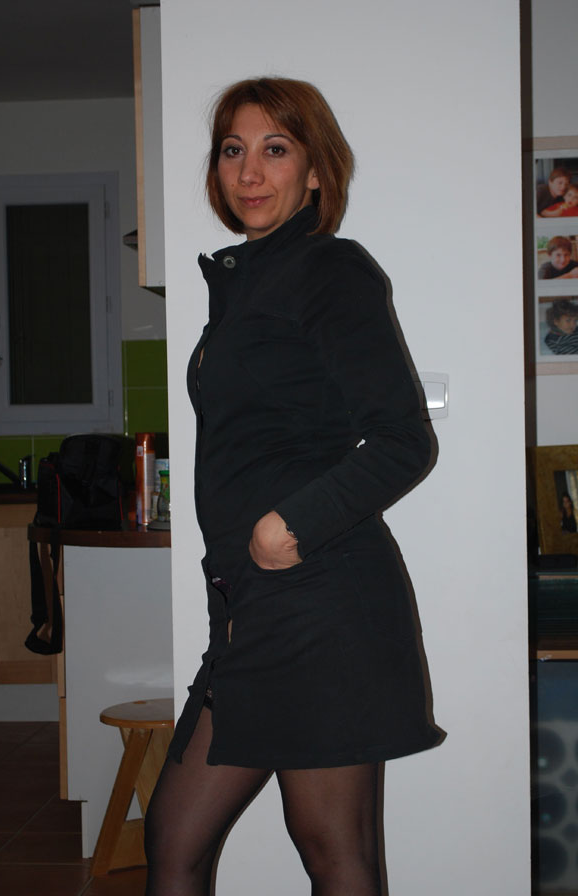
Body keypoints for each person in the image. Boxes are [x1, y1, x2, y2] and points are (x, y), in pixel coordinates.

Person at [144, 77, 441, 896]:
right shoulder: (244, 284)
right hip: (248, 610)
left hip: (321, 601)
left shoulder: (329, 270)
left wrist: (291, 525)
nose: (250, 171)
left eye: (275, 149)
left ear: (314, 172)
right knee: (174, 839)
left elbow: (404, 439)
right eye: (232, 150)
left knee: (333, 851)